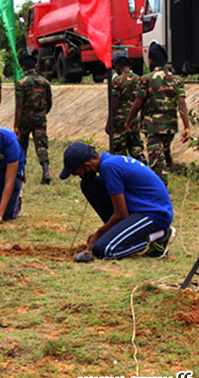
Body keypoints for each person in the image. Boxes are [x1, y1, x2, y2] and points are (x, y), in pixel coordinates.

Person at [59, 142, 176, 263]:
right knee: (89, 184)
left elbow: (121, 214)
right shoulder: (109, 162)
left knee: (103, 250)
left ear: (88, 165)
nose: (79, 176)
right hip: (138, 210)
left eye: (77, 172)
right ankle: (119, 235)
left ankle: (159, 235)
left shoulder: (110, 167)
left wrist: (99, 234)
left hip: (154, 214)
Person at [126, 44, 191, 185]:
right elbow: (182, 104)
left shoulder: (145, 79)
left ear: (150, 61)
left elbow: (138, 104)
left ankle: (160, 190)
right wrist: (187, 126)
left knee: (157, 163)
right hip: (170, 127)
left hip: (153, 127)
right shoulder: (176, 80)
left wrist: (129, 121)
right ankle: (167, 166)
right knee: (163, 155)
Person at [14, 54, 53, 184]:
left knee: (22, 146)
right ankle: (46, 171)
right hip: (40, 118)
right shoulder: (45, 82)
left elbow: (19, 105)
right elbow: (49, 102)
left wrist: (16, 125)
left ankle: (21, 174)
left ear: (23, 66)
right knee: (41, 145)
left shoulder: (22, 83)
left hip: (25, 119)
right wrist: (42, 113)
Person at [107, 55, 145, 163]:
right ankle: (141, 160)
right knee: (135, 144)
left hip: (121, 119)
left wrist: (109, 122)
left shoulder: (118, 81)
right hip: (135, 118)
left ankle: (123, 166)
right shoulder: (140, 79)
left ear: (118, 67)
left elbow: (115, 104)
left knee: (119, 148)